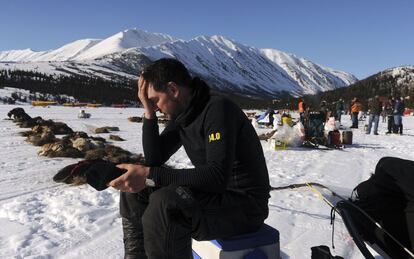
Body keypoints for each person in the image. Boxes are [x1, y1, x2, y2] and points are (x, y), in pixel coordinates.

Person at [109, 58, 270, 259]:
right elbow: (154, 158)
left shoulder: (217, 109)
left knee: (166, 203)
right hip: (216, 196)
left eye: (155, 100)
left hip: (245, 206)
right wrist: (148, 113)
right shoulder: (184, 115)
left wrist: (151, 174)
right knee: (134, 191)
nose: (156, 107)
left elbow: (216, 177)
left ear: (173, 90)